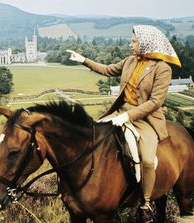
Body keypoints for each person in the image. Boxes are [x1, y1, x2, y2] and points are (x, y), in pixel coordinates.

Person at [67, 25, 181, 222]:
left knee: (147, 160)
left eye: (134, 42)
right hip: (119, 112)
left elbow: (155, 102)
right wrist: (83, 60)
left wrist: (128, 117)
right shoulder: (130, 61)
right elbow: (107, 69)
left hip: (145, 119)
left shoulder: (163, 69)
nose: (130, 45)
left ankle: (145, 204)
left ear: (146, 44)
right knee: (89, 137)